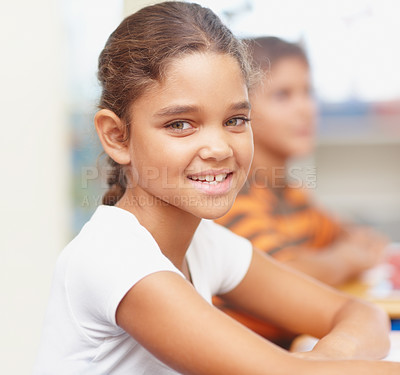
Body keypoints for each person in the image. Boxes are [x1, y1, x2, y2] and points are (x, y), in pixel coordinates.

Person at [33, 3, 399, 374]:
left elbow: (360, 314)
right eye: (180, 124)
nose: (220, 148)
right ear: (117, 137)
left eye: (235, 120)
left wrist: (323, 362)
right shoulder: (113, 257)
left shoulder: (204, 241)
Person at [214, 36, 388, 344]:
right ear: (239, 110)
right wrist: (345, 260)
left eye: (309, 92)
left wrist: (344, 251)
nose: (305, 109)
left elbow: (348, 235)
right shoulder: (230, 195)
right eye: (283, 95)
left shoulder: (290, 192)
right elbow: (284, 279)